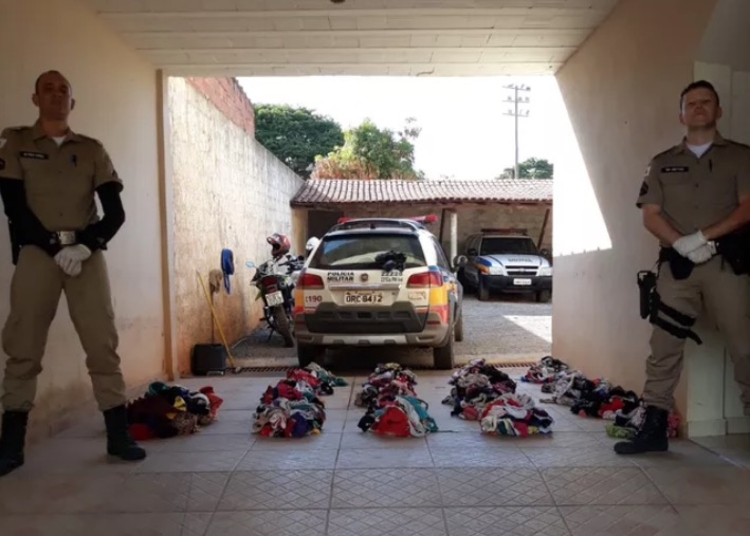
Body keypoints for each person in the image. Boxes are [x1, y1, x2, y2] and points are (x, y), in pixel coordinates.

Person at [0, 70, 146, 476]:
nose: (56, 94)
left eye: (63, 89)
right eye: (48, 88)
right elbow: (14, 208)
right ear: (35, 98)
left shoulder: (92, 149)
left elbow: (114, 213)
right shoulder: (16, 143)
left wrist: (84, 246)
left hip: (86, 255)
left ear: (72, 102)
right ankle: (10, 445)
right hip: (37, 253)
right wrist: (53, 247)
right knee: (23, 345)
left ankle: (118, 435)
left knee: (102, 343)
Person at [615, 80, 750, 455]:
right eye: (691, 103)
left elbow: (747, 208)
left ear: (719, 111)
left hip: (726, 264)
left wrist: (703, 238)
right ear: (681, 115)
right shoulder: (661, 162)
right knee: (663, 346)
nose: (699, 107)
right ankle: (654, 428)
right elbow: (650, 214)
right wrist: (680, 243)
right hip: (678, 269)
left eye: (707, 102)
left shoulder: (741, 157)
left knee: (745, 344)